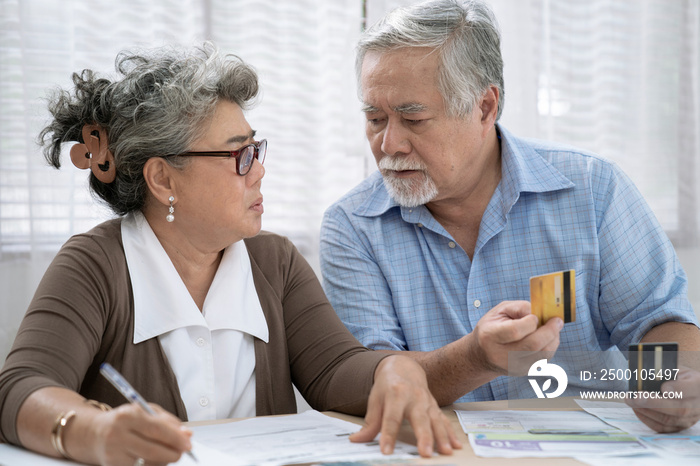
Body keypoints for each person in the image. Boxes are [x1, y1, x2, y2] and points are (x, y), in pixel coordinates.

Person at [0, 43, 462, 465]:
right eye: (238, 155)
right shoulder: (95, 264)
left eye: (256, 149)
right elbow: (20, 389)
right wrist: (93, 431)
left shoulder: (274, 260)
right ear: (163, 180)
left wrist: (391, 368)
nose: (258, 171)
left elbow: (335, 371)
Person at [320, 0, 700, 433]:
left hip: (590, 447)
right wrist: (475, 358)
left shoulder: (592, 187)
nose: (388, 144)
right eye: (374, 118)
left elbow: (657, 319)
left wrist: (670, 382)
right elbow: (370, 379)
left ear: (485, 107)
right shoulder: (352, 226)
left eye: (413, 118)